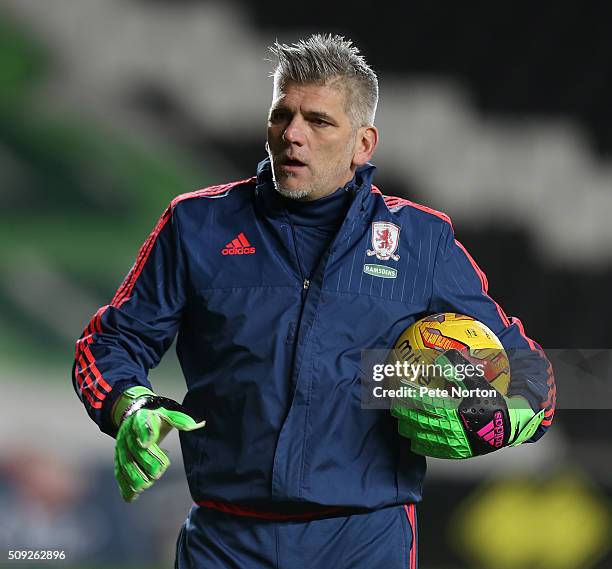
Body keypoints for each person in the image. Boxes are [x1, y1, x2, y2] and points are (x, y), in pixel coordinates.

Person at [72, 34, 556, 569]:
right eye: (282, 116)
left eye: (319, 121)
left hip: (364, 541)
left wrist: (492, 419)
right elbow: (111, 341)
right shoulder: (196, 225)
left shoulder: (421, 241)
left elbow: (531, 377)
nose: (293, 136)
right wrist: (129, 404)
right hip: (225, 540)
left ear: (363, 144)